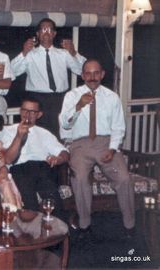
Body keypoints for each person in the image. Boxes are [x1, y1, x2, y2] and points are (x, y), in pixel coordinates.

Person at [59, 59, 135, 238]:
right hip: (80, 144)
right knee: (80, 178)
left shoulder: (112, 97)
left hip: (105, 143)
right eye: (88, 73)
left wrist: (113, 148)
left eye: (96, 73)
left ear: (102, 74)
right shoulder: (72, 96)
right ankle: (85, 224)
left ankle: (130, 225)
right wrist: (79, 106)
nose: (92, 77)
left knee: (124, 178)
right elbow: (65, 125)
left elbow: (118, 128)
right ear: (82, 75)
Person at [10, 18, 86, 138]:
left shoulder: (64, 54)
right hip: (36, 100)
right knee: (37, 135)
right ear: (38, 34)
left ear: (54, 34)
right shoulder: (30, 55)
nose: (46, 32)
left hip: (59, 99)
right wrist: (23, 53)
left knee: (60, 133)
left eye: (50, 29)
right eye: (43, 29)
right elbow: (12, 72)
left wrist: (74, 52)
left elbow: (82, 70)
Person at [4, 97, 69, 214]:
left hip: (42, 168)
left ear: (39, 114)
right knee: (29, 201)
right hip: (19, 169)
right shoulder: (8, 131)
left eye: (32, 112)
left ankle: (62, 230)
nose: (27, 115)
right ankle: (32, 229)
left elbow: (64, 153)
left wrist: (58, 159)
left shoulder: (44, 133)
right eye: (24, 110)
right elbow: (8, 159)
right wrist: (18, 137)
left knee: (52, 199)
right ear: (20, 111)